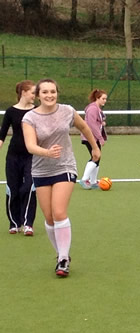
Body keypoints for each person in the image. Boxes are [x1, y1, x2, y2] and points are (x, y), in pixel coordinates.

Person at [22, 78, 101, 277]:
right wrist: (47, 152)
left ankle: (64, 259)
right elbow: (30, 146)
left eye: (53, 92)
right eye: (45, 92)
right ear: (38, 95)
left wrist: (94, 146)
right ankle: (60, 254)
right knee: (48, 217)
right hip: (41, 170)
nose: (50, 95)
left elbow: (84, 127)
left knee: (58, 212)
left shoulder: (67, 111)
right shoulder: (29, 118)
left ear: (57, 93)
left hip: (65, 167)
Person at [0, 80, 37, 236]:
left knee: (28, 187)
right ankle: (14, 223)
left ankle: (28, 224)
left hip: (32, 156)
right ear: (23, 92)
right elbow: (2, 134)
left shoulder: (37, 111)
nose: (35, 95)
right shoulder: (10, 112)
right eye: (33, 92)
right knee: (13, 189)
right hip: (13, 156)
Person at [79, 89, 108, 189]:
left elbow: (96, 122)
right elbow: (91, 125)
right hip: (90, 137)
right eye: (103, 98)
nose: (105, 101)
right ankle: (84, 180)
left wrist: (102, 123)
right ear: (97, 98)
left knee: (97, 157)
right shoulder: (92, 109)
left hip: (93, 137)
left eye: (105, 99)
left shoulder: (96, 109)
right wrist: (100, 138)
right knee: (96, 157)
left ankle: (93, 181)